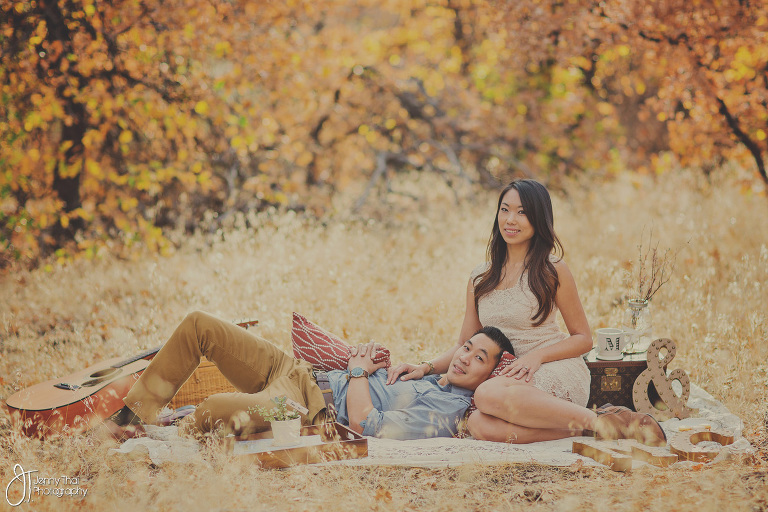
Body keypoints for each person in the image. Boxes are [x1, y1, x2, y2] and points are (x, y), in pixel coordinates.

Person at [387, 179, 666, 446]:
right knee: (478, 425)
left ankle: (598, 420)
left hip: (553, 367)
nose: (510, 220)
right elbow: (465, 343)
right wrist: (425, 367)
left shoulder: (552, 269)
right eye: (505, 210)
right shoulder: (480, 277)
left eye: (522, 213)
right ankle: (593, 425)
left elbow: (583, 338)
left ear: (538, 219)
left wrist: (536, 357)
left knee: (485, 394)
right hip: (506, 381)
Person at [107, 311, 514, 441]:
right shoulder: (426, 376)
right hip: (296, 373)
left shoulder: (448, 410)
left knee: (213, 409)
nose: (465, 359)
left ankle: (178, 425)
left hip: (308, 408)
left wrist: (357, 372)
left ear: (491, 372)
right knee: (200, 326)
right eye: (466, 347)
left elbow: (364, 424)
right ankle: (129, 419)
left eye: (480, 358)